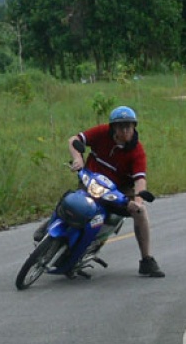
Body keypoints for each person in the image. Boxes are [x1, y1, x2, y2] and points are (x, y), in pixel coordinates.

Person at [34, 106, 165, 277]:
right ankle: (48, 227)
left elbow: (140, 180)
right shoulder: (102, 133)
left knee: (141, 213)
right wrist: (78, 159)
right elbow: (74, 139)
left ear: (134, 127)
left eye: (128, 126)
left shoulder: (137, 152)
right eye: (120, 126)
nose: (124, 130)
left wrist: (137, 203)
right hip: (91, 181)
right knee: (71, 199)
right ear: (113, 127)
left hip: (118, 191)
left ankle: (146, 259)